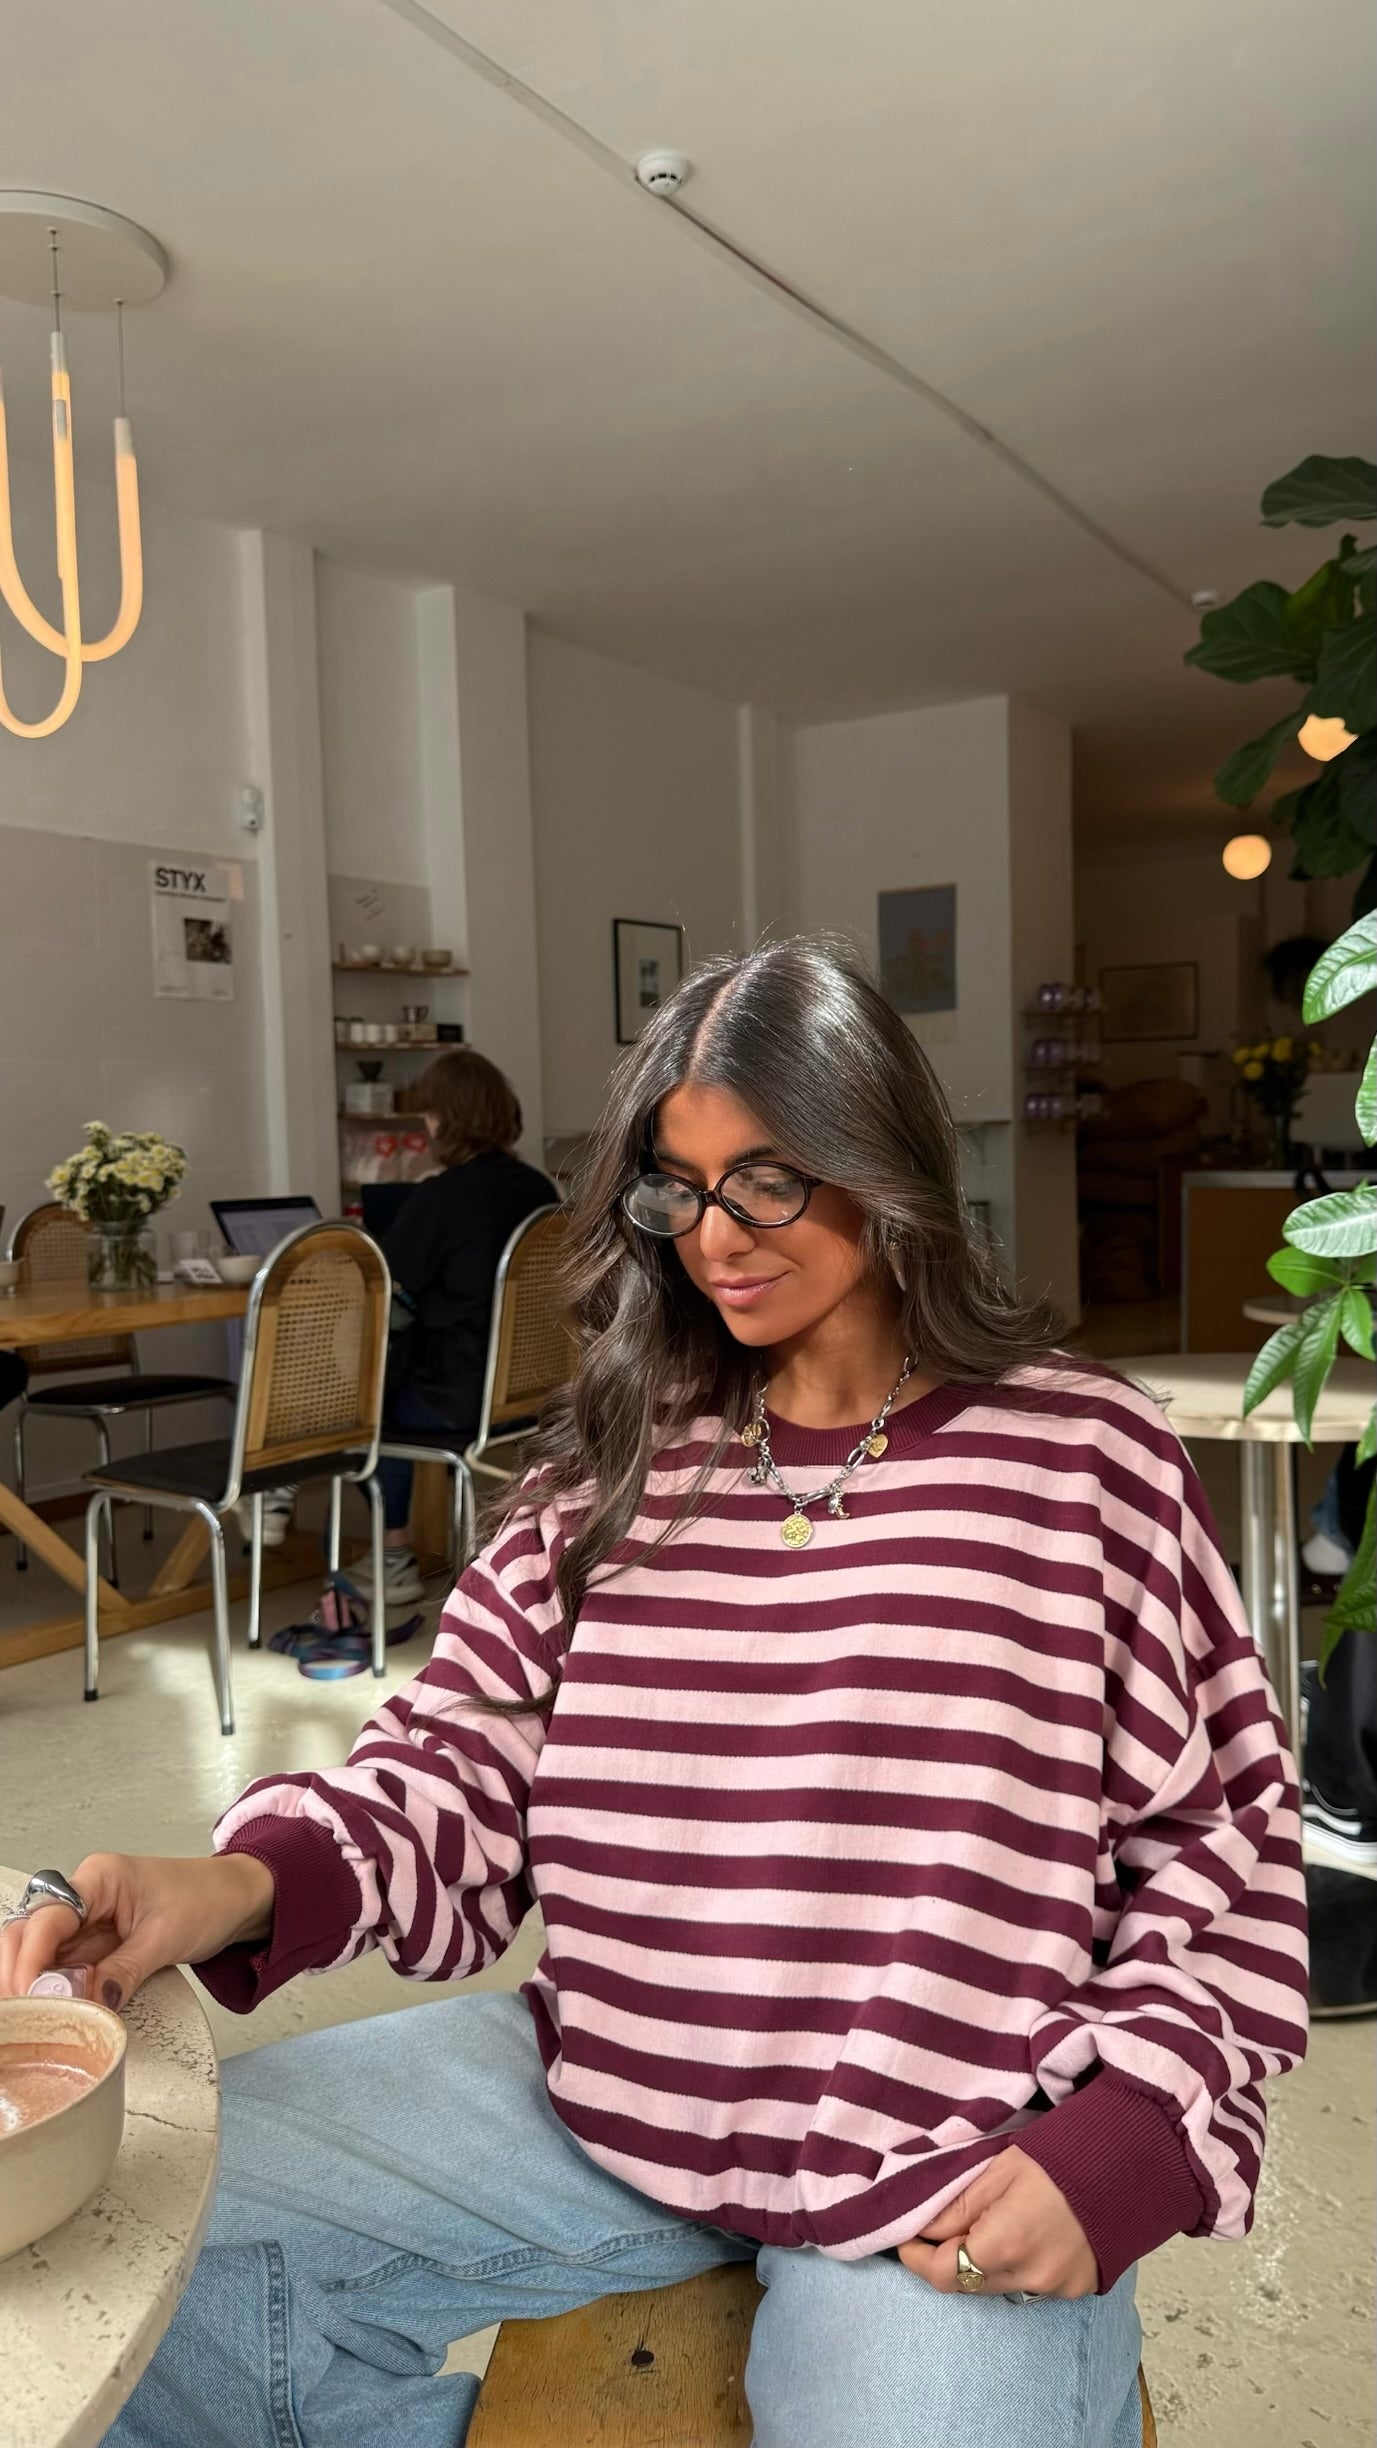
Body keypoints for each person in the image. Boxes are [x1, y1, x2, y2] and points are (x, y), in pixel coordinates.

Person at [0, 938, 1307, 2448]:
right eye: (675, 1191)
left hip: (942, 2150)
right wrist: (235, 1883)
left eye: (767, 1179)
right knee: (104, 2249)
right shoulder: (610, 1462)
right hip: (596, 2098)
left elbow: (1222, 1851)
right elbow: (463, 1761)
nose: (717, 1240)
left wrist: (1130, 2143)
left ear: (880, 1157)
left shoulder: (1083, 1462)